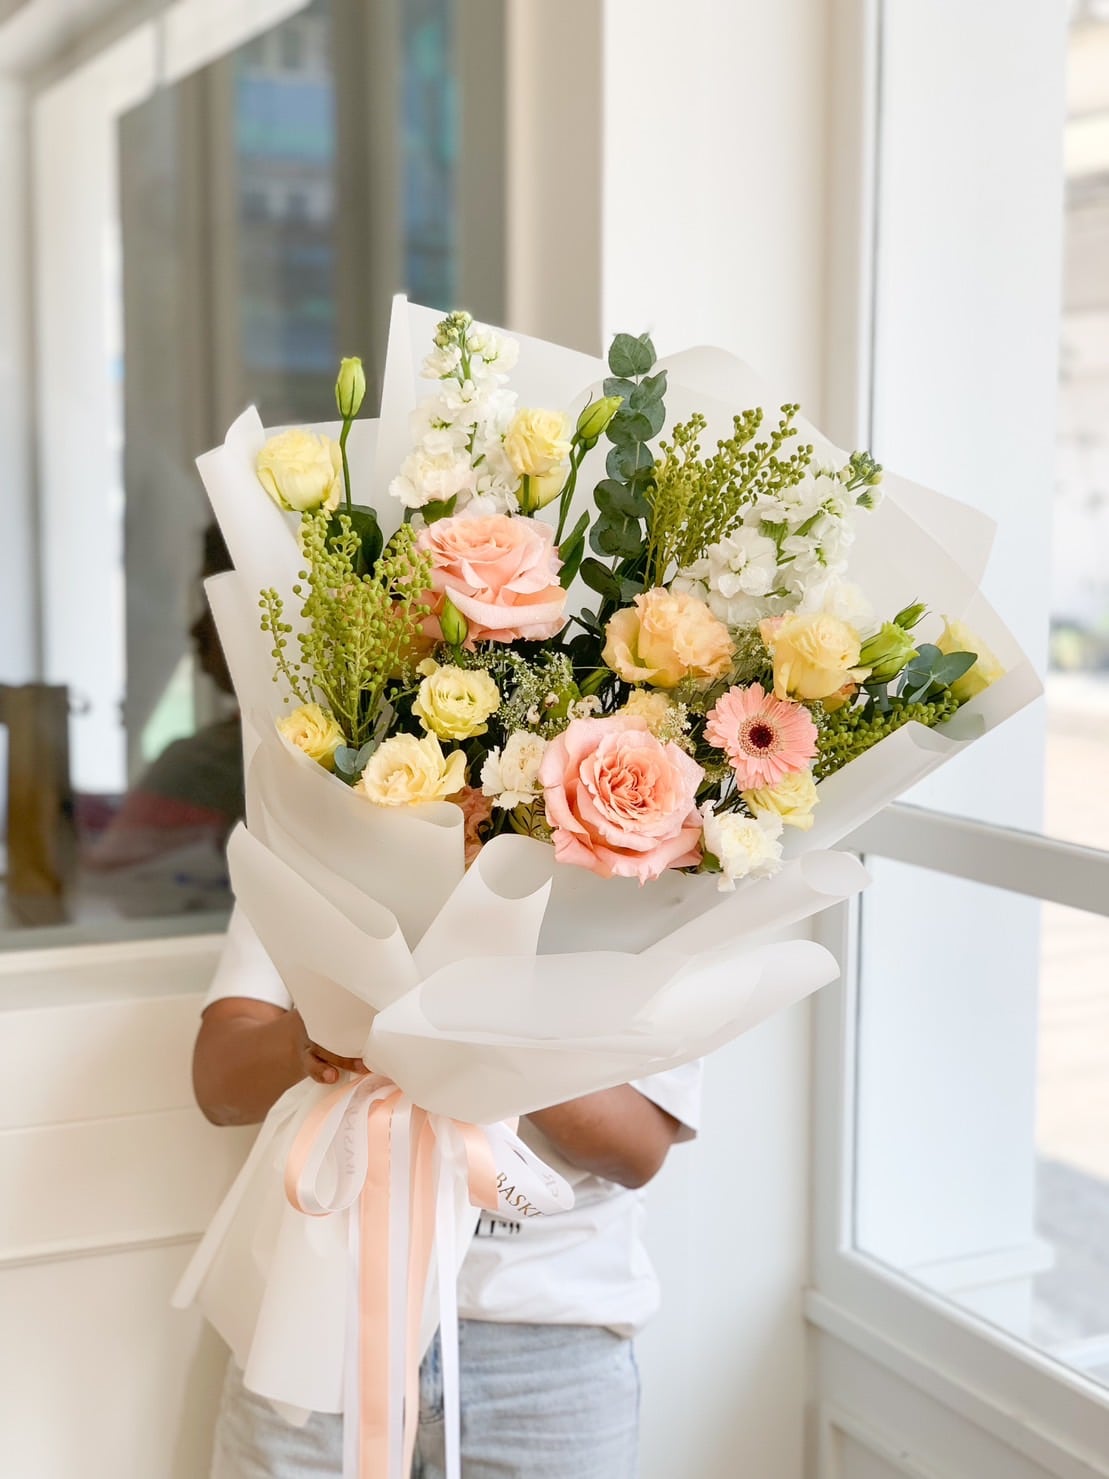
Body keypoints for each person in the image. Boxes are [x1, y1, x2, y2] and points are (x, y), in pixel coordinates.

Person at [191, 909, 701, 1479]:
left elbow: (639, 1149)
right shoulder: (308, 838)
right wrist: (314, 1029)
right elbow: (218, 1084)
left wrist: (485, 1024)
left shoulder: (653, 869)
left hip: (545, 1347)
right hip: (319, 1314)